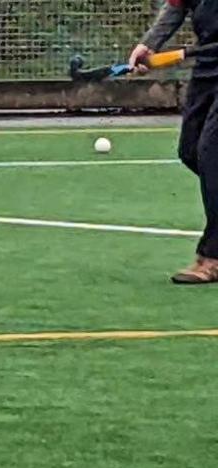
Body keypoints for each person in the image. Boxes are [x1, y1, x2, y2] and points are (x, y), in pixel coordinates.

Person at [130, 0, 218, 283]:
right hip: (209, 61)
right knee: (191, 150)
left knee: (212, 154)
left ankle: (213, 257)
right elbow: (178, 5)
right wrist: (150, 44)